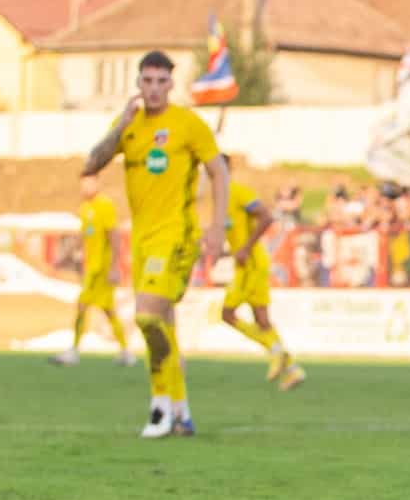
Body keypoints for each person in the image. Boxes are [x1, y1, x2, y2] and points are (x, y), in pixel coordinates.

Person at [83, 51, 227, 438]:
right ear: (138, 84)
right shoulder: (128, 125)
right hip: (143, 239)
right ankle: (181, 411)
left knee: (147, 316)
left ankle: (159, 407)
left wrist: (217, 225)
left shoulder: (187, 124)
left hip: (176, 235)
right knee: (161, 324)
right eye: (147, 81)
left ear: (171, 84)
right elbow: (90, 165)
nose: (154, 89)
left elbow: (219, 170)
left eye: (161, 81)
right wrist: (119, 130)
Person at [218, 155, 305, 391]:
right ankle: (292, 368)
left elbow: (266, 216)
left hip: (252, 263)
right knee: (261, 319)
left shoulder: (238, 192)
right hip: (247, 264)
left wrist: (245, 247)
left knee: (227, 313)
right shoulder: (220, 199)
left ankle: (277, 352)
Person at [49, 174, 138, 367]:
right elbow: (83, 237)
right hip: (91, 267)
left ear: (97, 183)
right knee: (106, 310)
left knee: (86, 305)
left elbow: (113, 235)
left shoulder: (104, 205)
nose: (85, 187)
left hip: (102, 268)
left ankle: (75, 351)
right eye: (83, 183)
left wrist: (115, 266)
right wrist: (64, 257)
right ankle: (125, 351)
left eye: (89, 182)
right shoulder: (84, 208)